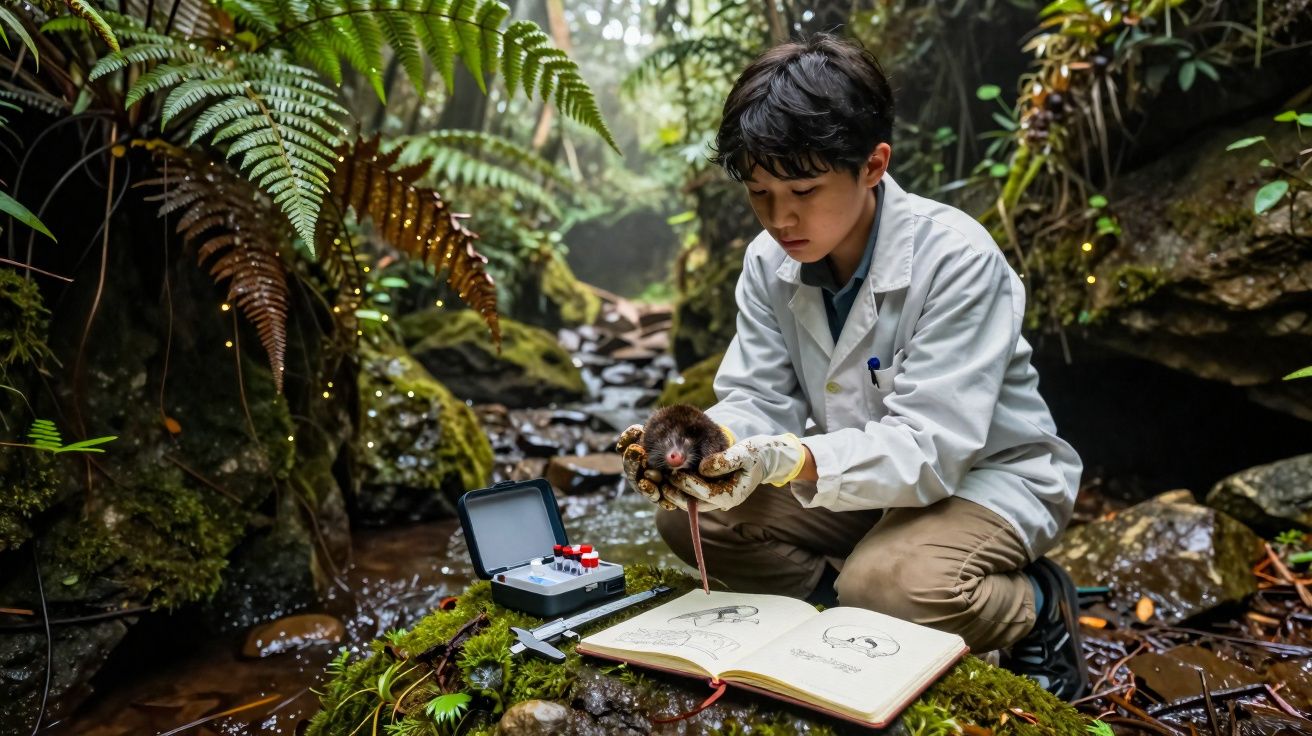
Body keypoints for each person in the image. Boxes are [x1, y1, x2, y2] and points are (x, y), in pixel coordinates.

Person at [617, 33, 1089, 700]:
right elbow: (758, 397)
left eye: (804, 189)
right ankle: (843, 620)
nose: (780, 218)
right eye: (759, 192)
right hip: (871, 487)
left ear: (873, 165)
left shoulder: (956, 258)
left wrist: (788, 459)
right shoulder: (766, 262)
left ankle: (1037, 606)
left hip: (983, 479)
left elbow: (933, 448)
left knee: (886, 586)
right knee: (692, 516)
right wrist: (702, 444)